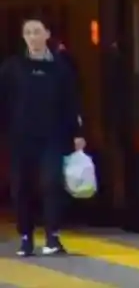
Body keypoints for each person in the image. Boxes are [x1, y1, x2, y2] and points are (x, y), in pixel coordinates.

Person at [0, 16, 85, 257]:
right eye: (28, 32)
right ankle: (26, 237)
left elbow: (72, 102)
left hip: (53, 137)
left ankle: (52, 237)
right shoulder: (12, 68)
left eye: (37, 31)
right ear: (23, 37)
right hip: (20, 138)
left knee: (52, 184)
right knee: (22, 187)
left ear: (47, 34)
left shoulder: (61, 68)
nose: (32, 37)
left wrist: (77, 133)